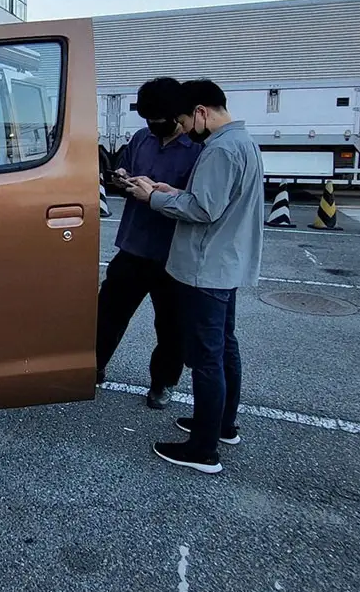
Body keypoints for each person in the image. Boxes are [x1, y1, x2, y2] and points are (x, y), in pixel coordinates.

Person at [125, 79, 264, 474]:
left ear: (201, 111)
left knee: (206, 358)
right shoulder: (243, 142)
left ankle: (203, 449)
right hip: (226, 263)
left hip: (206, 268)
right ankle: (222, 426)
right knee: (224, 347)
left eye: (186, 121)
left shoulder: (219, 149)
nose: (185, 129)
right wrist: (170, 189)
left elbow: (203, 209)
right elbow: (211, 199)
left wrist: (152, 197)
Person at [96, 77, 202, 408]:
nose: (152, 127)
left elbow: (199, 203)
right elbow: (126, 166)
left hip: (173, 254)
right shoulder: (142, 138)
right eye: (148, 121)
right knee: (108, 313)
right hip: (133, 245)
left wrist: (154, 193)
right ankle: (93, 366)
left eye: (159, 121)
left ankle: (163, 383)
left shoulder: (198, 149)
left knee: (172, 326)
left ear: (176, 115)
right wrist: (122, 176)